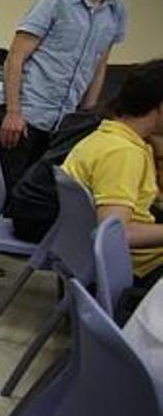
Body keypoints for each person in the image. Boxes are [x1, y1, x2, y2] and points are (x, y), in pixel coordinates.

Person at [0, 0, 135, 194]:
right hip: (26, 117)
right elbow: (15, 56)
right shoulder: (55, 2)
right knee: (5, 196)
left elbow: (99, 65)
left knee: (37, 197)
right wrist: (13, 112)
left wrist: (85, 117)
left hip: (63, 126)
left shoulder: (117, 14)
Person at [61, 59, 163, 288]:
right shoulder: (123, 154)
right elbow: (117, 234)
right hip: (133, 269)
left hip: (90, 261)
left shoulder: (108, 136)